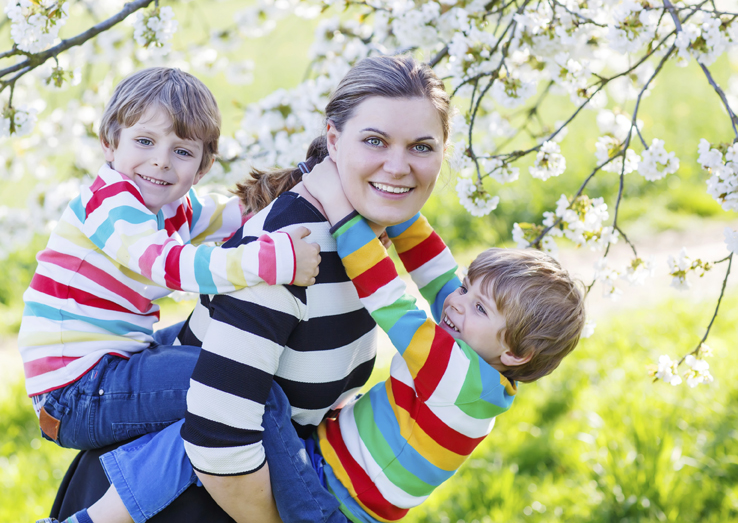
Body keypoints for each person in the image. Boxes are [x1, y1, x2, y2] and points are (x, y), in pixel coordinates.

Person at [65, 155, 586, 523]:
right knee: (210, 412)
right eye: (469, 288)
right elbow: (436, 274)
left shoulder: (457, 378)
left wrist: (340, 206)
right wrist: (395, 196)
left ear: (515, 352)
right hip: (322, 466)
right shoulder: (479, 356)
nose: (456, 301)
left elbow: (389, 297)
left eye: (478, 306)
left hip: (327, 499)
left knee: (237, 407)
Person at [50, 54, 455, 523]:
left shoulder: (363, 235)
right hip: (175, 497)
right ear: (334, 140)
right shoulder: (289, 250)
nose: (398, 166)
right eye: (375, 141)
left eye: (421, 147)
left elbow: (444, 283)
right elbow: (218, 438)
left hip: (208, 474)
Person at [19, 67, 322, 454]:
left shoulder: (170, 203)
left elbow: (232, 215)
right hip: (75, 391)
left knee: (234, 341)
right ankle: (307, 487)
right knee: (238, 379)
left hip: (114, 363)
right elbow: (169, 264)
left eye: (182, 152)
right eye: (145, 141)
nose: (161, 161)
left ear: (202, 168)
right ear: (109, 144)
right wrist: (269, 261)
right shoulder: (111, 203)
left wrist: (301, 184)